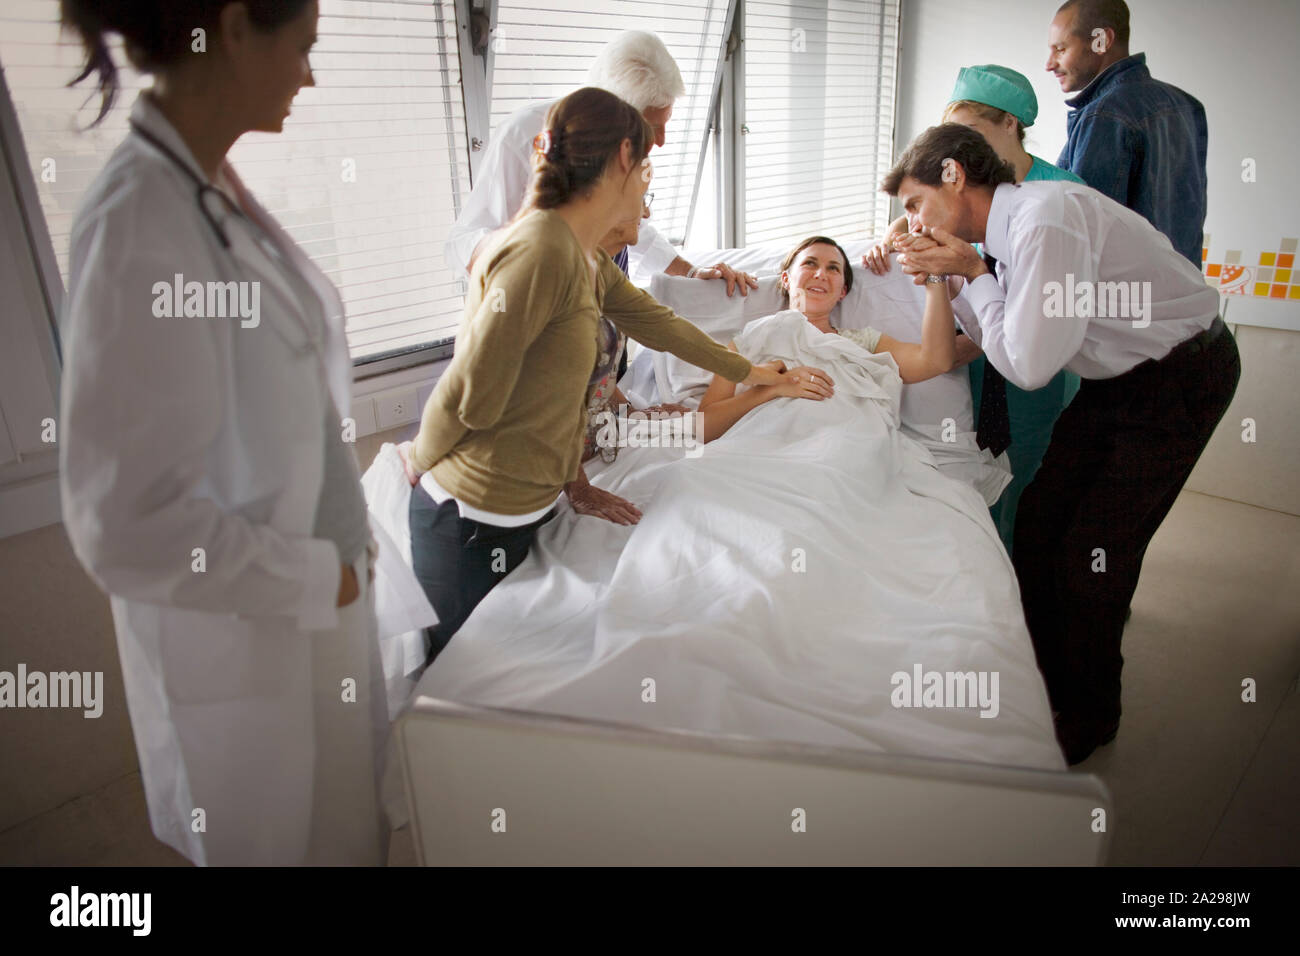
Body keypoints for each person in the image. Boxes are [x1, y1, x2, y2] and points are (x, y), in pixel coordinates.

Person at [57, 0, 389, 865]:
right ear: (236, 28)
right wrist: (321, 576)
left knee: (348, 834)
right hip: (253, 640)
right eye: (304, 47)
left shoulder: (210, 195)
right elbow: (125, 528)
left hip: (312, 610)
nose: (310, 75)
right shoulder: (138, 226)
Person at [398, 88, 807, 662]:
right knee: (454, 696)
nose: (647, 186)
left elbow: (660, 327)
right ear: (622, 157)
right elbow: (466, 393)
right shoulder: (539, 251)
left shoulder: (583, 255)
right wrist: (413, 467)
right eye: (647, 167)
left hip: (520, 511)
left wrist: (751, 371)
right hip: (469, 520)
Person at [884, 123, 1239, 765]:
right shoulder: (1005, 238)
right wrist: (954, 280)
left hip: (1178, 377)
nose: (909, 222)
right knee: (1043, 521)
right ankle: (1043, 679)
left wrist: (969, 271)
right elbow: (1000, 333)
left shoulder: (1045, 221)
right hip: (1116, 382)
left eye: (913, 203)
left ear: (953, 176)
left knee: (1092, 555)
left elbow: (1026, 365)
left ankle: (1089, 715)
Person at [865, 64, 1086, 556]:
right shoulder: (950, 196)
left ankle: (1016, 578)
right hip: (977, 363)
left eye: (968, 132)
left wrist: (972, 312)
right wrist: (894, 235)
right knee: (976, 470)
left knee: (1027, 477)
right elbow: (923, 234)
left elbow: (1045, 311)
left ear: (1011, 124)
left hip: (1038, 360)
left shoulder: (1057, 196)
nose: (954, 148)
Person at [445, 29, 758, 296]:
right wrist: (535, 248)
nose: (661, 141)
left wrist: (691, 273)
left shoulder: (626, 156)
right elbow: (464, 243)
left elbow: (631, 230)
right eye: (652, 127)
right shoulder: (525, 135)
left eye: (667, 123)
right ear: (614, 113)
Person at [698, 236, 972, 441]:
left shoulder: (864, 343)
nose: (820, 274)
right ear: (785, 279)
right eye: (810, 264)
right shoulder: (749, 341)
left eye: (833, 269)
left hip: (847, 451)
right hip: (762, 449)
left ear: (843, 291)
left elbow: (937, 360)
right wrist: (772, 389)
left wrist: (935, 277)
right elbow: (703, 428)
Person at [1047, 0, 1208, 266]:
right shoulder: (1187, 105)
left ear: (1102, 40)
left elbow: (1087, 236)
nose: (1049, 64)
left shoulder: (1105, 114)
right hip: (1185, 295)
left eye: (1061, 49)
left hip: (1127, 300)